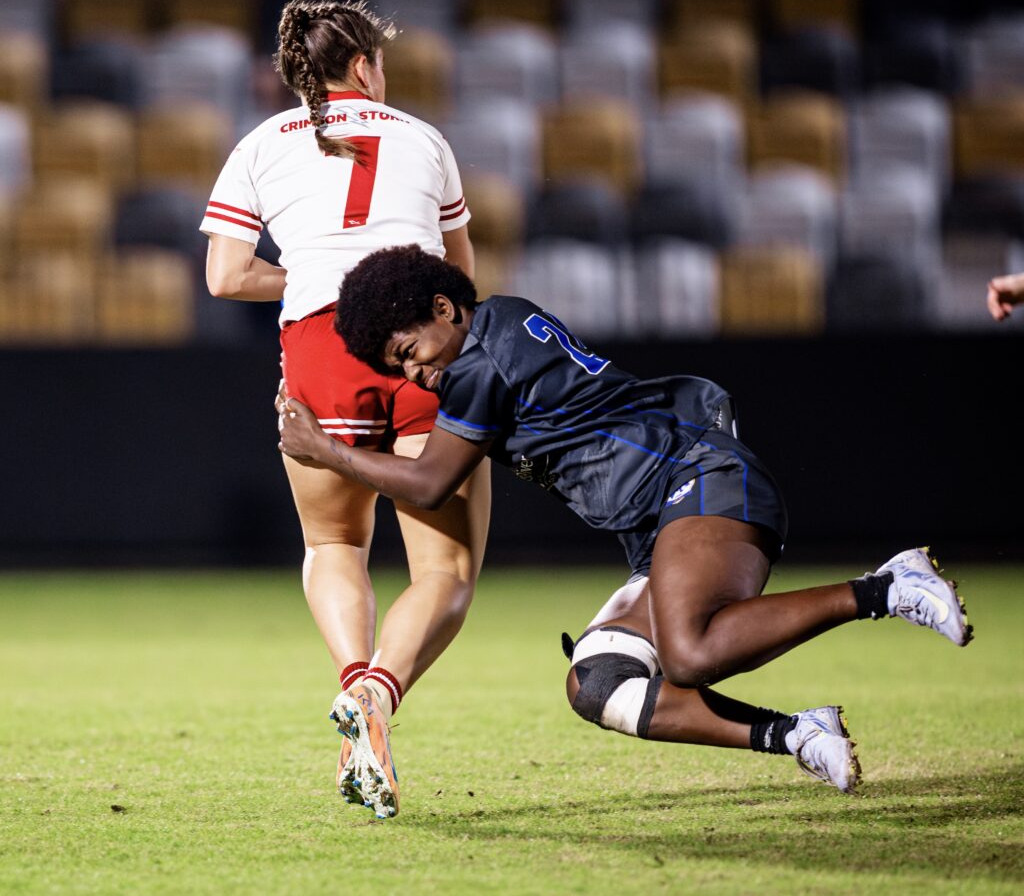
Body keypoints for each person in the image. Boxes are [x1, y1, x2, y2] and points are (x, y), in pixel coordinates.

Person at [277, 245, 974, 799]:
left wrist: (328, 449)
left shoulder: (478, 358)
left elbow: (430, 483)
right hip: (667, 515)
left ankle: (884, 587)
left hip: (696, 477)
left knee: (691, 652)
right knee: (598, 682)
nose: (413, 374)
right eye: (397, 366)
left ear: (442, 308)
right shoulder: (498, 323)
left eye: (408, 351)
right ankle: (795, 733)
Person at [202, 0, 491, 820]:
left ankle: (351, 683)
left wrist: (302, 278)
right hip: (418, 345)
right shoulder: (424, 138)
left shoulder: (259, 144)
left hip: (318, 348)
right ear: (365, 65)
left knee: (333, 539)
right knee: (446, 571)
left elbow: (225, 275)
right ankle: (378, 693)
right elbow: (458, 287)